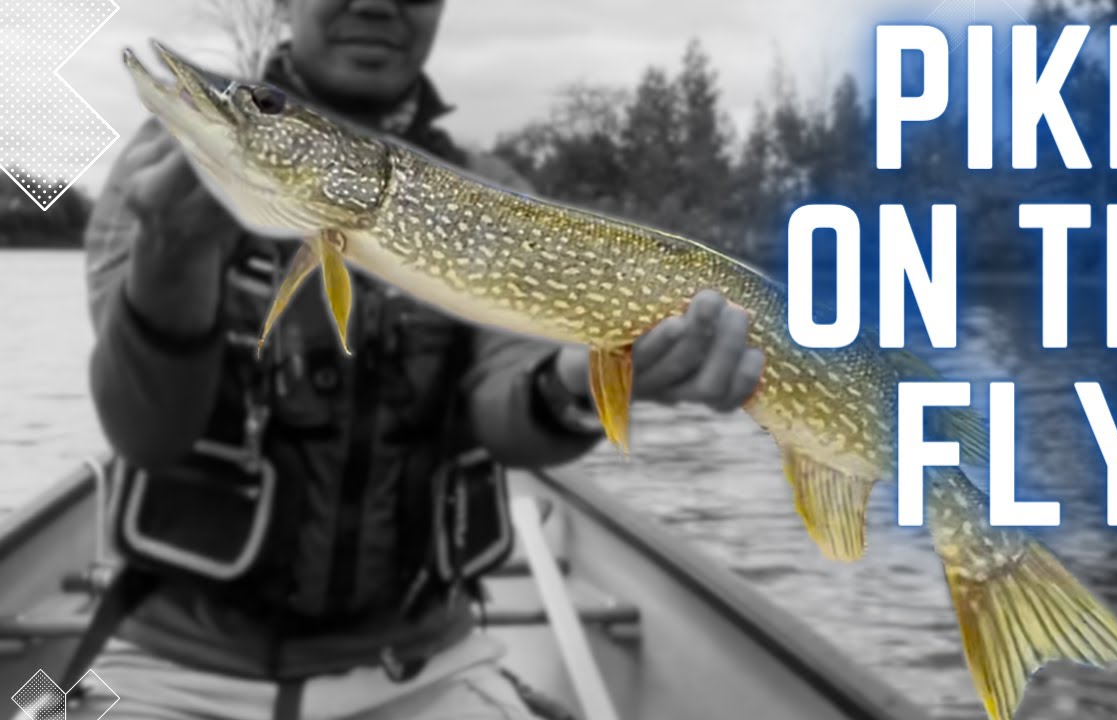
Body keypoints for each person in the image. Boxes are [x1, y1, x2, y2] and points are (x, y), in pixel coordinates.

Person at [57, 1, 766, 719]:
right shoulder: (161, 174)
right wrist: (171, 255)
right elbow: (146, 432)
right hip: (168, 664)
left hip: (427, 668)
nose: (376, 2)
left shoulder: (490, 192)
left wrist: (581, 382)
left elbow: (506, 410)